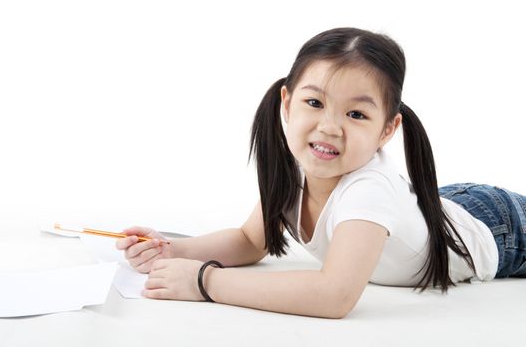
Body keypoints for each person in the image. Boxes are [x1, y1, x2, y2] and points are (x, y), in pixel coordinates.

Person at [115, 27, 526, 319]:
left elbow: (335, 296)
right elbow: (249, 240)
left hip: (500, 229)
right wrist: (174, 250)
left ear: (387, 130)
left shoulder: (369, 191)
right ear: (287, 103)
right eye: (315, 103)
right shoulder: (298, 171)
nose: (329, 126)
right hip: (440, 207)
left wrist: (205, 283)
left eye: (356, 114)